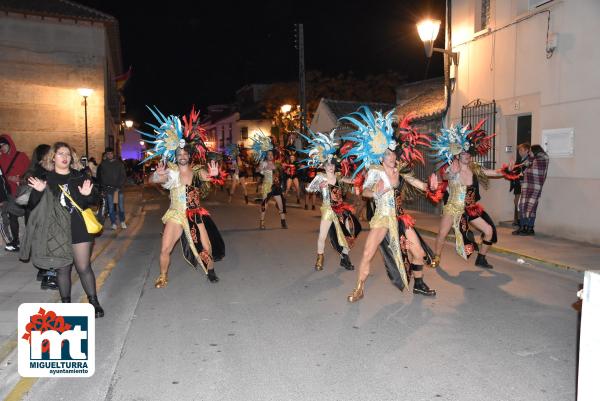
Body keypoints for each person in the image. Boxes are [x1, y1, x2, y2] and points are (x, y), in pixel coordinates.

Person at [341, 107, 439, 302]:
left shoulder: (400, 170)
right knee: (368, 252)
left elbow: (416, 183)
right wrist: (374, 191)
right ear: (380, 156)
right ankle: (359, 288)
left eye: (394, 153)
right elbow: (365, 191)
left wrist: (430, 186)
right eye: (388, 154)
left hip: (400, 218)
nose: (392, 157)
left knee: (418, 253)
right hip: (382, 219)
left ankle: (419, 285)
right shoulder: (375, 172)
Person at [141, 107, 225, 287]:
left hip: (195, 213)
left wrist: (215, 174)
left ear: (190, 155)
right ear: (175, 156)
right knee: (165, 248)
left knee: (206, 246)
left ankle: (210, 270)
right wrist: (157, 174)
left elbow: (209, 176)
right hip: (176, 214)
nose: (182, 156)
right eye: (179, 154)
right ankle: (163, 275)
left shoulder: (197, 171)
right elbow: (154, 179)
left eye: (185, 154)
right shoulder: (170, 171)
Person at [24, 142, 104, 317]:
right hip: (56, 229)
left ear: (72, 157)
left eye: (67, 154)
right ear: (53, 157)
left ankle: (94, 302)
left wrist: (87, 195)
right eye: (60, 154)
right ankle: (66, 305)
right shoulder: (45, 179)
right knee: (62, 269)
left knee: (83, 267)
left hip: (78, 226)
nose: (64, 157)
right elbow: (32, 206)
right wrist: (38, 192)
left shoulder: (79, 176)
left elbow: (92, 202)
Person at [430, 121, 509, 270]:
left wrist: (506, 171)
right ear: (458, 155)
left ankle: (481, 258)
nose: (466, 155)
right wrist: (452, 173)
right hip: (453, 207)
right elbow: (446, 177)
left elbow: (492, 172)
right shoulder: (452, 168)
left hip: (471, 208)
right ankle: (437, 256)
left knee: (489, 231)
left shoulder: (475, 169)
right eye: (463, 153)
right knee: (442, 233)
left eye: (468, 153)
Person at [301, 130, 361, 271]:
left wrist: (358, 179)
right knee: (322, 236)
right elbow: (309, 189)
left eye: (332, 164)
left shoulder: (339, 177)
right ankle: (320, 257)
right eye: (327, 164)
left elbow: (351, 180)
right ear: (324, 166)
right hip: (328, 210)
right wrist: (318, 185)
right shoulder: (321, 178)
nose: (330, 166)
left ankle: (344, 258)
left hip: (341, 210)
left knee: (349, 235)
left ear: (334, 165)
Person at [251, 132, 288, 230]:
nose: (270, 156)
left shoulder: (277, 164)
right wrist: (260, 168)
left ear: (274, 155)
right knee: (264, 205)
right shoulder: (263, 163)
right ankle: (262, 222)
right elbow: (257, 170)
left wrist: (283, 187)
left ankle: (283, 221)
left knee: (281, 204)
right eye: (268, 154)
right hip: (267, 186)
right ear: (266, 155)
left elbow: (282, 176)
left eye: (272, 154)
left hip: (276, 187)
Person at [0, 134, 30, 251]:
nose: (2, 147)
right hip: (10, 192)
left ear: (9, 144)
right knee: (12, 216)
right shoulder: (1, 158)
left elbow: (29, 173)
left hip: (23, 191)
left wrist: (19, 179)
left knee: (28, 216)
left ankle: (30, 239)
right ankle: (15, 241)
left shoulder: (21, 156)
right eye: (0, 146)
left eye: (3, 145)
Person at [514, 144, 549, 236]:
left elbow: (534, 171)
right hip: (529, 186)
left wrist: (524, 172)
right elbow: (526, 164)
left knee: (527, 207)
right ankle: (527, 228)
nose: (529, 153)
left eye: (530, 151)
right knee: (527, 207)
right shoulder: (533, 159)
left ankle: (526, 228)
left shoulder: (541, 159)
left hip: (534, 187)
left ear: (535, 151)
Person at [98, 147, 127, 230]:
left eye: (111, 153)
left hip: (119, 189)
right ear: (106, 155)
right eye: (108, 154)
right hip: (109, 189)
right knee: (110, 207)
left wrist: (119, 186)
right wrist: (104, 189)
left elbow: (123, 176)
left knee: (121, 207)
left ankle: (122, 221)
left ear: (113, 154)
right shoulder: (103, 164)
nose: (109, 155)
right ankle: (113, 222)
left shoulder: (119, 164)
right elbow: (102, 177)